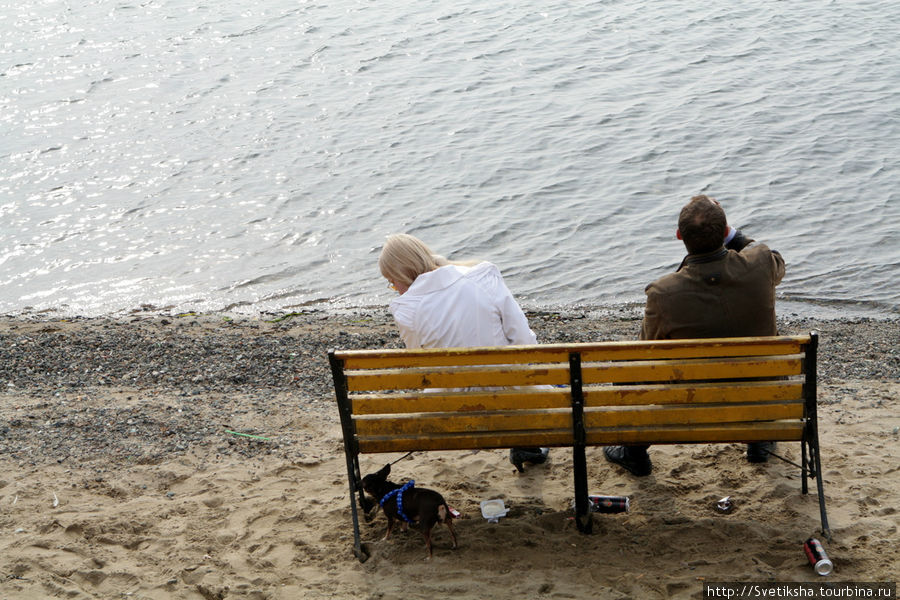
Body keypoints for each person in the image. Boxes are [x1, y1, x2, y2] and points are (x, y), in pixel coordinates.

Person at [604, 195, 786, 476]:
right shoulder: (761, 263)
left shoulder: (663, 292)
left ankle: (634, 452)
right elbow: (771, 258)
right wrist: (733, 235)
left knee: (631, 366)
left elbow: (645, 352)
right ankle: (760, 438)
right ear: (726, 232)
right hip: (763, 399)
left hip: (692, 406)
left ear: (679, 236)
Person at [378, 233, 549, 471]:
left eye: (392, 281)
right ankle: (526, 443)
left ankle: (524, 442)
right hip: (513, 399)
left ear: (403, 273)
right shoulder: (483, 276)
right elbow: (525, 342)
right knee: (522, 378)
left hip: (454, 410)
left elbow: (424, 368)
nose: (394, 288)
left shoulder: (407, 309)